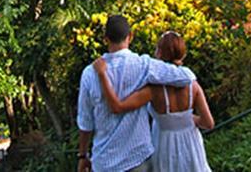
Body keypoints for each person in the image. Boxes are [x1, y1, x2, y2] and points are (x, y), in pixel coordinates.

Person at [77, 16, 196, 172]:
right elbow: (186, 77)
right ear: (130, 36)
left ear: (105, 39)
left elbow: (86, 122)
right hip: (138, 159)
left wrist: (83, 155)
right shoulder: (143, 65)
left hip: (104, 162)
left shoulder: (89, 73)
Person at [93, 31, 213, 172]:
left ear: (160, 53)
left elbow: (117, 106)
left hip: (164, 147)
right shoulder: (192, 84)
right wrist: (185, 119)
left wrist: (102, 74)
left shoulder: (154, 89)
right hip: (191, 146)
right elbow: (208, 123)